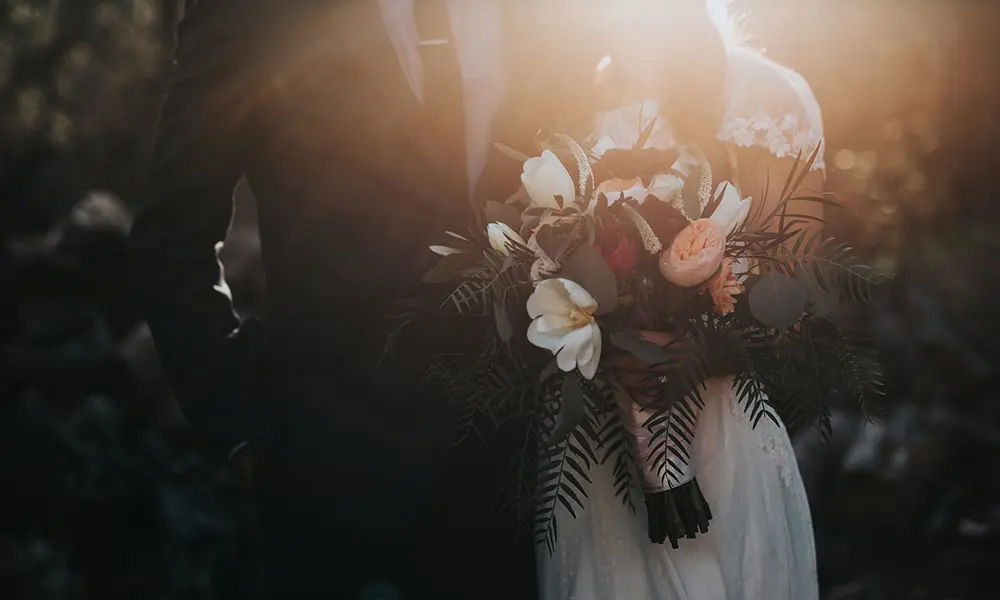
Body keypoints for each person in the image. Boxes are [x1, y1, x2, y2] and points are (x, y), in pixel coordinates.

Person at [129, 1, 544, 597]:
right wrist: (247, 425)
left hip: (517, 483)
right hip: (331, 481)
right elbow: (171, 239)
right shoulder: (255, 16)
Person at [536, 1, 824, 598]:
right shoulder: (566, 81)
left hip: (712, 422)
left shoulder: (761, 95)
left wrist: (680, 352)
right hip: (591, 444)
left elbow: (787, 291)